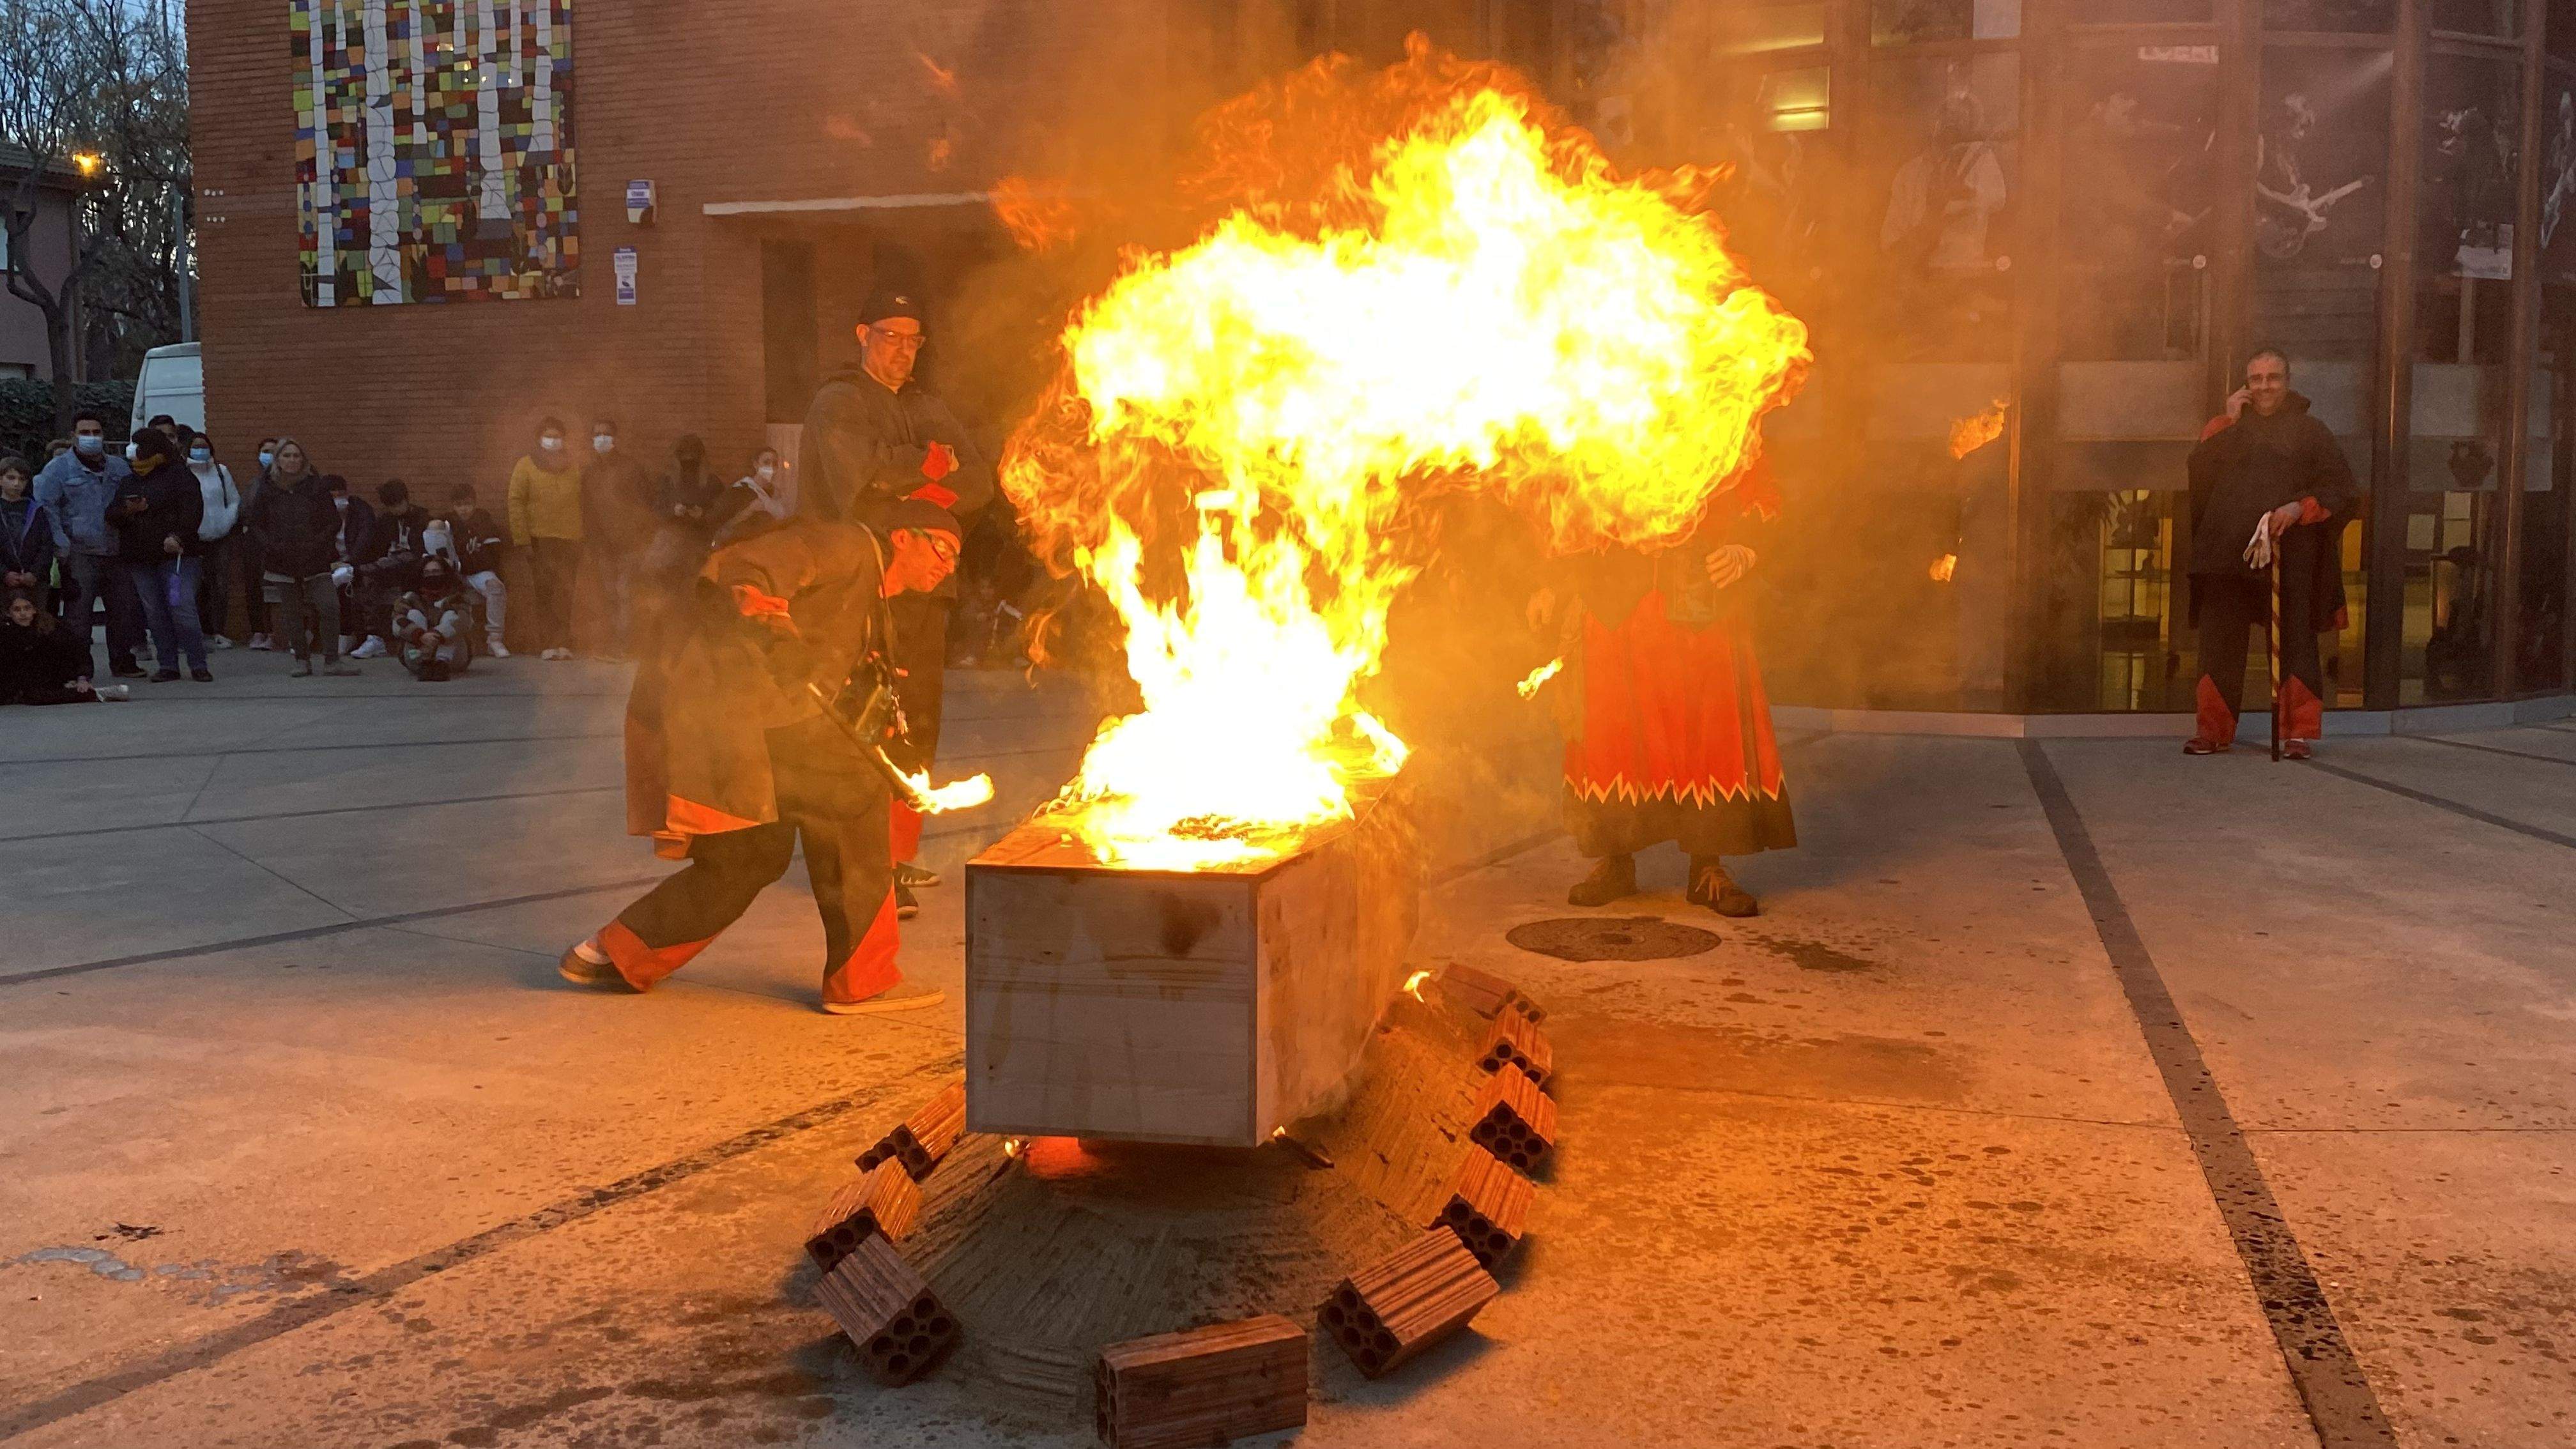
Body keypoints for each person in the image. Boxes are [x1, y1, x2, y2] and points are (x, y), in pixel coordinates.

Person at [556, 501, 961, 1015]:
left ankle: (613, 954)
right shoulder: (850, 544)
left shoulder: (874, 601)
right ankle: (864, 980)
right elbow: (749, 570)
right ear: (902, 536)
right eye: (942, 548)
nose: (946, 566)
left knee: (746, 860)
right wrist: (777, 633)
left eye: (955, 560)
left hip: (749, 731)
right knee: (851, 812)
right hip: (762, 722)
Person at [1529, 461, 1797, 918]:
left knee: (1708, 732)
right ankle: (1616, 861)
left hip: (1700, 598)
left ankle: (1708, 867)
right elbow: (1566, 497)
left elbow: (1762, 487)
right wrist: (1550, 583)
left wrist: (1748, 548)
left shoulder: (1717, 392)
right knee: (1613, 735)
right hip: (1613, 600)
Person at [796, 288, 996, 901]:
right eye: (891, 337)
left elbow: (980, 482)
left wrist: (911, 485)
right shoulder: (838, 403)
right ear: (862, 335)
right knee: (863, 718)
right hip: (863, 586)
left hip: (925, 588)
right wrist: (929, 467)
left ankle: (895, 856)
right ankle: (859, 860)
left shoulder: (928, 405)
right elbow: (856, 485)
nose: (904, 352)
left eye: (914, 341)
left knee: (917, 719)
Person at [2184, 348, 2356, 760]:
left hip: (2290, 555)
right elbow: (2199, 477)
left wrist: (2299, 509)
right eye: (2256, 379)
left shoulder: (2312, 432)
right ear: (2246, 384)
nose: (2264, 387)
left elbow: (2341, 489)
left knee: (2295, 642)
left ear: (2287, 381)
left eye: (2273, 378)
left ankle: (2297, 732)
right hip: (2226, 555)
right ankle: (2213, 731)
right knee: (2220, 643)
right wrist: (2229, 422)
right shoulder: (2224, 429)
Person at [33, 408, 143, 680]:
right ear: (73, 436)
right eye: (85, 433)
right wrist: (61, 545)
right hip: (79, 551)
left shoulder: (118, 467)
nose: (91, 437)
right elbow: (47, 508)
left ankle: (123, 661)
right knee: (78, 616)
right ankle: (79, 667)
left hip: (116, 549)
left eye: (96, 432)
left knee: (123, 611)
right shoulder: (58, 470)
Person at [243, 439, 359, 677]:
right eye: (287, 456)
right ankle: (302, 660)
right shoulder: (266, 489)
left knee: (329, 606)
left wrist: (318, 543)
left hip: (315, 558)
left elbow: (333, 521)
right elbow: (256, 524)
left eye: (297, 456)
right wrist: (272, 546)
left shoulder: (316, 487)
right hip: (281, 560)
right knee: (292, 612)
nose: (292, 460)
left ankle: (332, 660)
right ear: (278, 460)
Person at [110, 429, 210, 683]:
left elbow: (192, 511)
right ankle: (168, 665)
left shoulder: (179, 476)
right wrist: (129, 511)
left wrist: (177, 536)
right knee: (155, 613)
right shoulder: (129, 480)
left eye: (139, 446)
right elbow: (111, 515)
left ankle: (198, 663)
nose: (133, 451)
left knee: (181, 608)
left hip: (176, 560)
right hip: (141, 559)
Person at [579, 417, 657, 659]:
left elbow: (645, 503)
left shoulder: (630, 468)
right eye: (597, 433)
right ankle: (613, 645)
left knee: (625, 596)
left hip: (628, 544)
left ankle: (625, 646)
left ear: (615, 438)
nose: (602, 438)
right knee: (609, 597)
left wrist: (639, 536)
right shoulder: (590, 472)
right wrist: (593, 541)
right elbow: (586, 510)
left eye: (606, 433)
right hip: (603, 546)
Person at [509, 417, 583, 660]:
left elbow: (584, 500)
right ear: (539, 439)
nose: (553, 440)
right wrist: (523, 540)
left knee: (566, 593)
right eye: (548, 436)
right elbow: (516, 502)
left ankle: (563, 643)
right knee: (544, 594)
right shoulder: (525, 466)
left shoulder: (574, 466)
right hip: (540, 541)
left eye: (557, 436)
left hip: (570, 539)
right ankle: (547, 644)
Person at [0, 589, 127, 703]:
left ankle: (96, 694)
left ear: (35, 610)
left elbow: (79, 652)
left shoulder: (51, 629)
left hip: (50, 677)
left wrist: (82, 677)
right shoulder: (5, 633)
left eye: (27, 608)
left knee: (37, 696)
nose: (23, 614)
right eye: (17, 610)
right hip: (18, 681)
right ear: (8, 613)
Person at [352, 479, 429, 658]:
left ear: (406, 499)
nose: (395, 509)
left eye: (397, 504)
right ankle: (374, 636)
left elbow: (418, 552)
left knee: (374, 572)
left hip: (414, 567)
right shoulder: (386, 520)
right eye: (390, 506)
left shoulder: (422, 518)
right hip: (390, 569)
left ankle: (378, 637)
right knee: (368, 581)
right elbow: (376, 548)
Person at [433, 482, 510, 658]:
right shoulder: (447, 522)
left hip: (477, 571)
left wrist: (480, 545)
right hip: (453, 573)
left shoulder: (484, 520)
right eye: (459, 505)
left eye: (467, 504)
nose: (463, 509)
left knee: (496, 587)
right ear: (453, 506)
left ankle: (495, 640)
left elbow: (495, 547)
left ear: (474, 504)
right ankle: (437, 639)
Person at [188, 432, 244, 648]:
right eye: (196, 446)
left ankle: (217, 631)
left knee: (219, 587)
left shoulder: (221, 472)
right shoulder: (183, 473)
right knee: (191, 588)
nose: (200, 450)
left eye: (204, 446)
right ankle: (193, 633)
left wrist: (225, 523)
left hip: (220, 539)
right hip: (193, 540)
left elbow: (233, 501)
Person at [393, 556, 473, 681]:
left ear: (444, 573)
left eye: (436, 572)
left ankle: (441, 663)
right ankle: (425, 662)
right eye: (427, 573)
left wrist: (437, 634)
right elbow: (398, 621)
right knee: (414, 614)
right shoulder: (410, 598)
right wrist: (419, 635)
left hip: (453, 659)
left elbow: (465, 622)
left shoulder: (457, 597)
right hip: (417, 658)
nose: (432, 576)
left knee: (451, 615)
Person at [324, 475, 377, 655]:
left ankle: (350, 633)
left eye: (341, 494)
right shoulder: (322, 516)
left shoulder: (361, 511)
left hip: (358, 563)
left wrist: (348, 562)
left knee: (344, 580)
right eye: (333, 496)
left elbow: (365, 541)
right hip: (332, 565)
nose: (338, 499)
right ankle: (330, 633)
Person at [1, 456, 59, 613]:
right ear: (0, 479)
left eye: (22, 479)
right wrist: (4, 573)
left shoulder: (36, 510)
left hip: (34, 580)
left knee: (35, 622)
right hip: (3, 579)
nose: (16, 483)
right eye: (11, 478)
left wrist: (35, 573)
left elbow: (46, 544)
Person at [243, 438, 280, 650]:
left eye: (273, 451)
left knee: (275, 585)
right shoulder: (254, 483)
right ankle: (259, 630)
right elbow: (244, 511)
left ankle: (276, 632)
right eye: (265, 451)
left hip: (277, 542)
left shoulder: (285, 482)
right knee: (255, 587)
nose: (269, 455)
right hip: (254, 542)